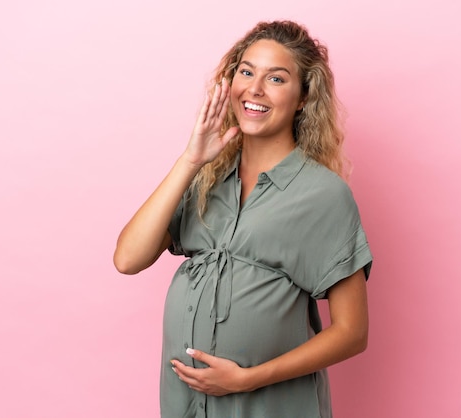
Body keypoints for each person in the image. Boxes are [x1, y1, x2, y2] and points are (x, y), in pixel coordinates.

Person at [114, 20, 373, 418]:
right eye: (247, 71)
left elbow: (352, 333)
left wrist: (248, 378)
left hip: (270, 404)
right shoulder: (207, 174)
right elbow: (128, 259)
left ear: (303, 97)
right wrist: (190, 160)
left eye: (276, 78)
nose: (254, 88)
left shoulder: (324, 195)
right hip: (186, 403)